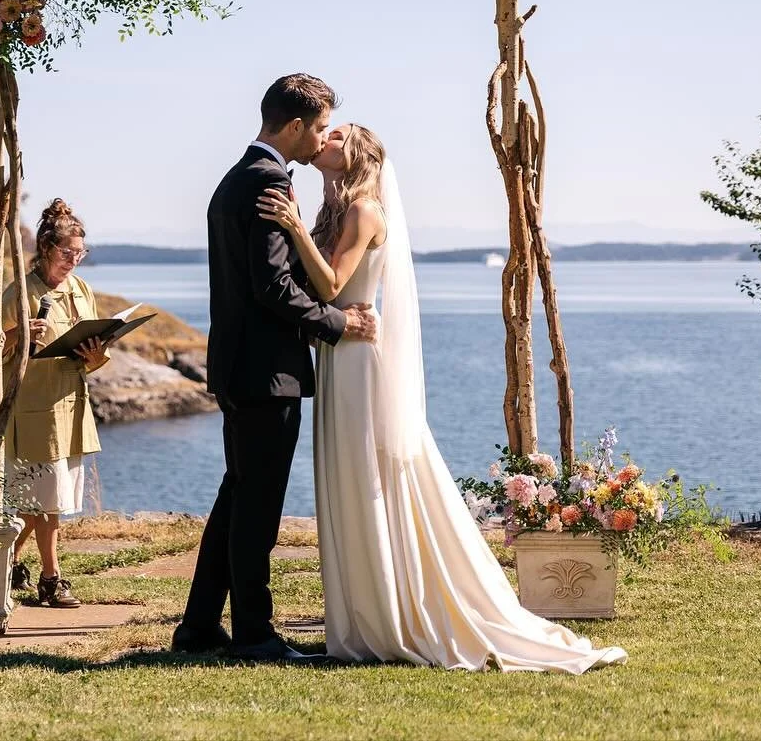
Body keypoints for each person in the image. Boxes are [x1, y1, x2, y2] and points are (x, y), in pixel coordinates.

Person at [254, 122, 627, 673]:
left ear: (355, 154)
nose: (323, 142)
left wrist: (293, 229)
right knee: (348, 476)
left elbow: (333, 285)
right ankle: (364, 612)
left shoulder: (365, 212)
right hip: (337, 352)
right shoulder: (335, 210)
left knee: (371, 475)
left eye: (335, 138)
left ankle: (395, 611)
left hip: (359, 363)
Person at [173, 73, 378, 662]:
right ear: (294, 126)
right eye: (317, 128)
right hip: (266, 372)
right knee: (257, 511)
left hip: (237, 366)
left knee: (236, 499)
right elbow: (274, 289)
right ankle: (256, 635)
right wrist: (339, 325)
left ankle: (198, 627)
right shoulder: (266, 182)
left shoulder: (236, 177)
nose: (320, 140)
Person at [2, 199, 111, 609]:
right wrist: (18, 335)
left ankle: (8, 560)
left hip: (72, 404)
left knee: (50, 498)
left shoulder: (82, 291)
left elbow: (95, 358)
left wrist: (97, 354)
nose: (74, 261)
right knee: (46, 501)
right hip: (34, 407)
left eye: (80, 254)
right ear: (46, 247)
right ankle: (52, 579)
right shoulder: (20, 292)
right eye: (67, 253)